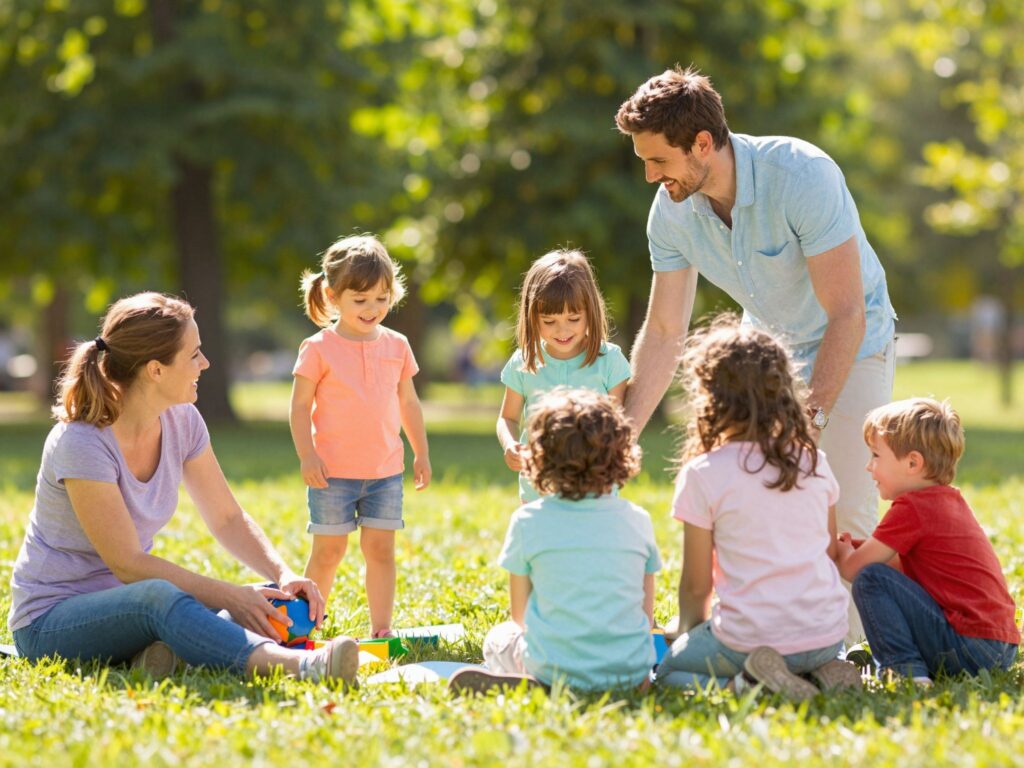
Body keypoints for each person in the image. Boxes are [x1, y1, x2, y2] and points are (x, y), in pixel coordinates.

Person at [614, 67, 897, 639]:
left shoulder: (802, 175)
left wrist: (806, 424)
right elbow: (666, 330)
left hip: (854, 341)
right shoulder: (671, 211)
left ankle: (839, 651)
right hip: (767, 359)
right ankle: (740, 635)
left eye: (658, 161)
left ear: (701, 144)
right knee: (734, 500)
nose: (649, 176)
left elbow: (846, 314)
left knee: (840, 508)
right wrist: (618, 440)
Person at [8, 293, 358, 684]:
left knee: (270, 598)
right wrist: (227, 596)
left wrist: (282, 572)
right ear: (155, 370)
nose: (205, 364)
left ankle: (161, 652)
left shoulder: (183, 421)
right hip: (50, 623)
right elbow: (128, 564)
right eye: (194, 355)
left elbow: (226, 517)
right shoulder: (81, 442)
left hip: (134, 609)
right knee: (163, 599)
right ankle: (302, 666)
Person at [654, 319, 859, 700]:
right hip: (826, 634)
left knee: (666, 674)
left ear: (708, 397)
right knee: (799, 651)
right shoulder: (813, 460)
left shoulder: (703, 473)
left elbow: (698, 585)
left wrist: (688, 633)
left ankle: (748, 685)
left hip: (747, 639)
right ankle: (821, 673)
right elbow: (829, 554)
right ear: (784, 393)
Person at [450, 388, 660, 694]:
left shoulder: (527, 520)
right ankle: (622, 682)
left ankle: (540, 681)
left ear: (539, 456)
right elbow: (645, 614)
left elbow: (520, 616)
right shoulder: (638, 519)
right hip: (628, 670)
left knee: (498, 638)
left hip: (552, 667)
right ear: (620, 453)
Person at [290, 234, 430, 639]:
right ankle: (303, 630)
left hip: (384, 472)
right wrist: (307, 455)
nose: (373, 309)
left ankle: (382, 630)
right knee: (328, 553)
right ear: (333, 297)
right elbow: (299, 408)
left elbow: (409, 404)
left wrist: (421, 453)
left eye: (382, 298)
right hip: (331, 475)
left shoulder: (398, 345)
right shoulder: (317, 348)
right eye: (361, 300)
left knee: (381, 552)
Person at [836, 398, 1020, 685]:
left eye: (875, 456)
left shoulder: (912, 507)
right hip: (998, 647)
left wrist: (842, 551)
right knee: (877, 574)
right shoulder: (946, 501)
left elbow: (853, 570)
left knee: (870, 579)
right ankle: (896, 662)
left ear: (912, 462)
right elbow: (898, 565)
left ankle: (906, 671)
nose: (869, 467)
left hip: (970, 647)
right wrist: (856, 547)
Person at [497, 249, 631, 502]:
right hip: (538, 486)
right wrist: (510, 445)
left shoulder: (610, 361)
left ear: (590, 312)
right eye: (549, 321)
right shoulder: (524, 362)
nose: (562, 330)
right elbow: (507, 417)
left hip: (596, 486)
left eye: (574, 318)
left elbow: (620, 424)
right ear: (532, 317)